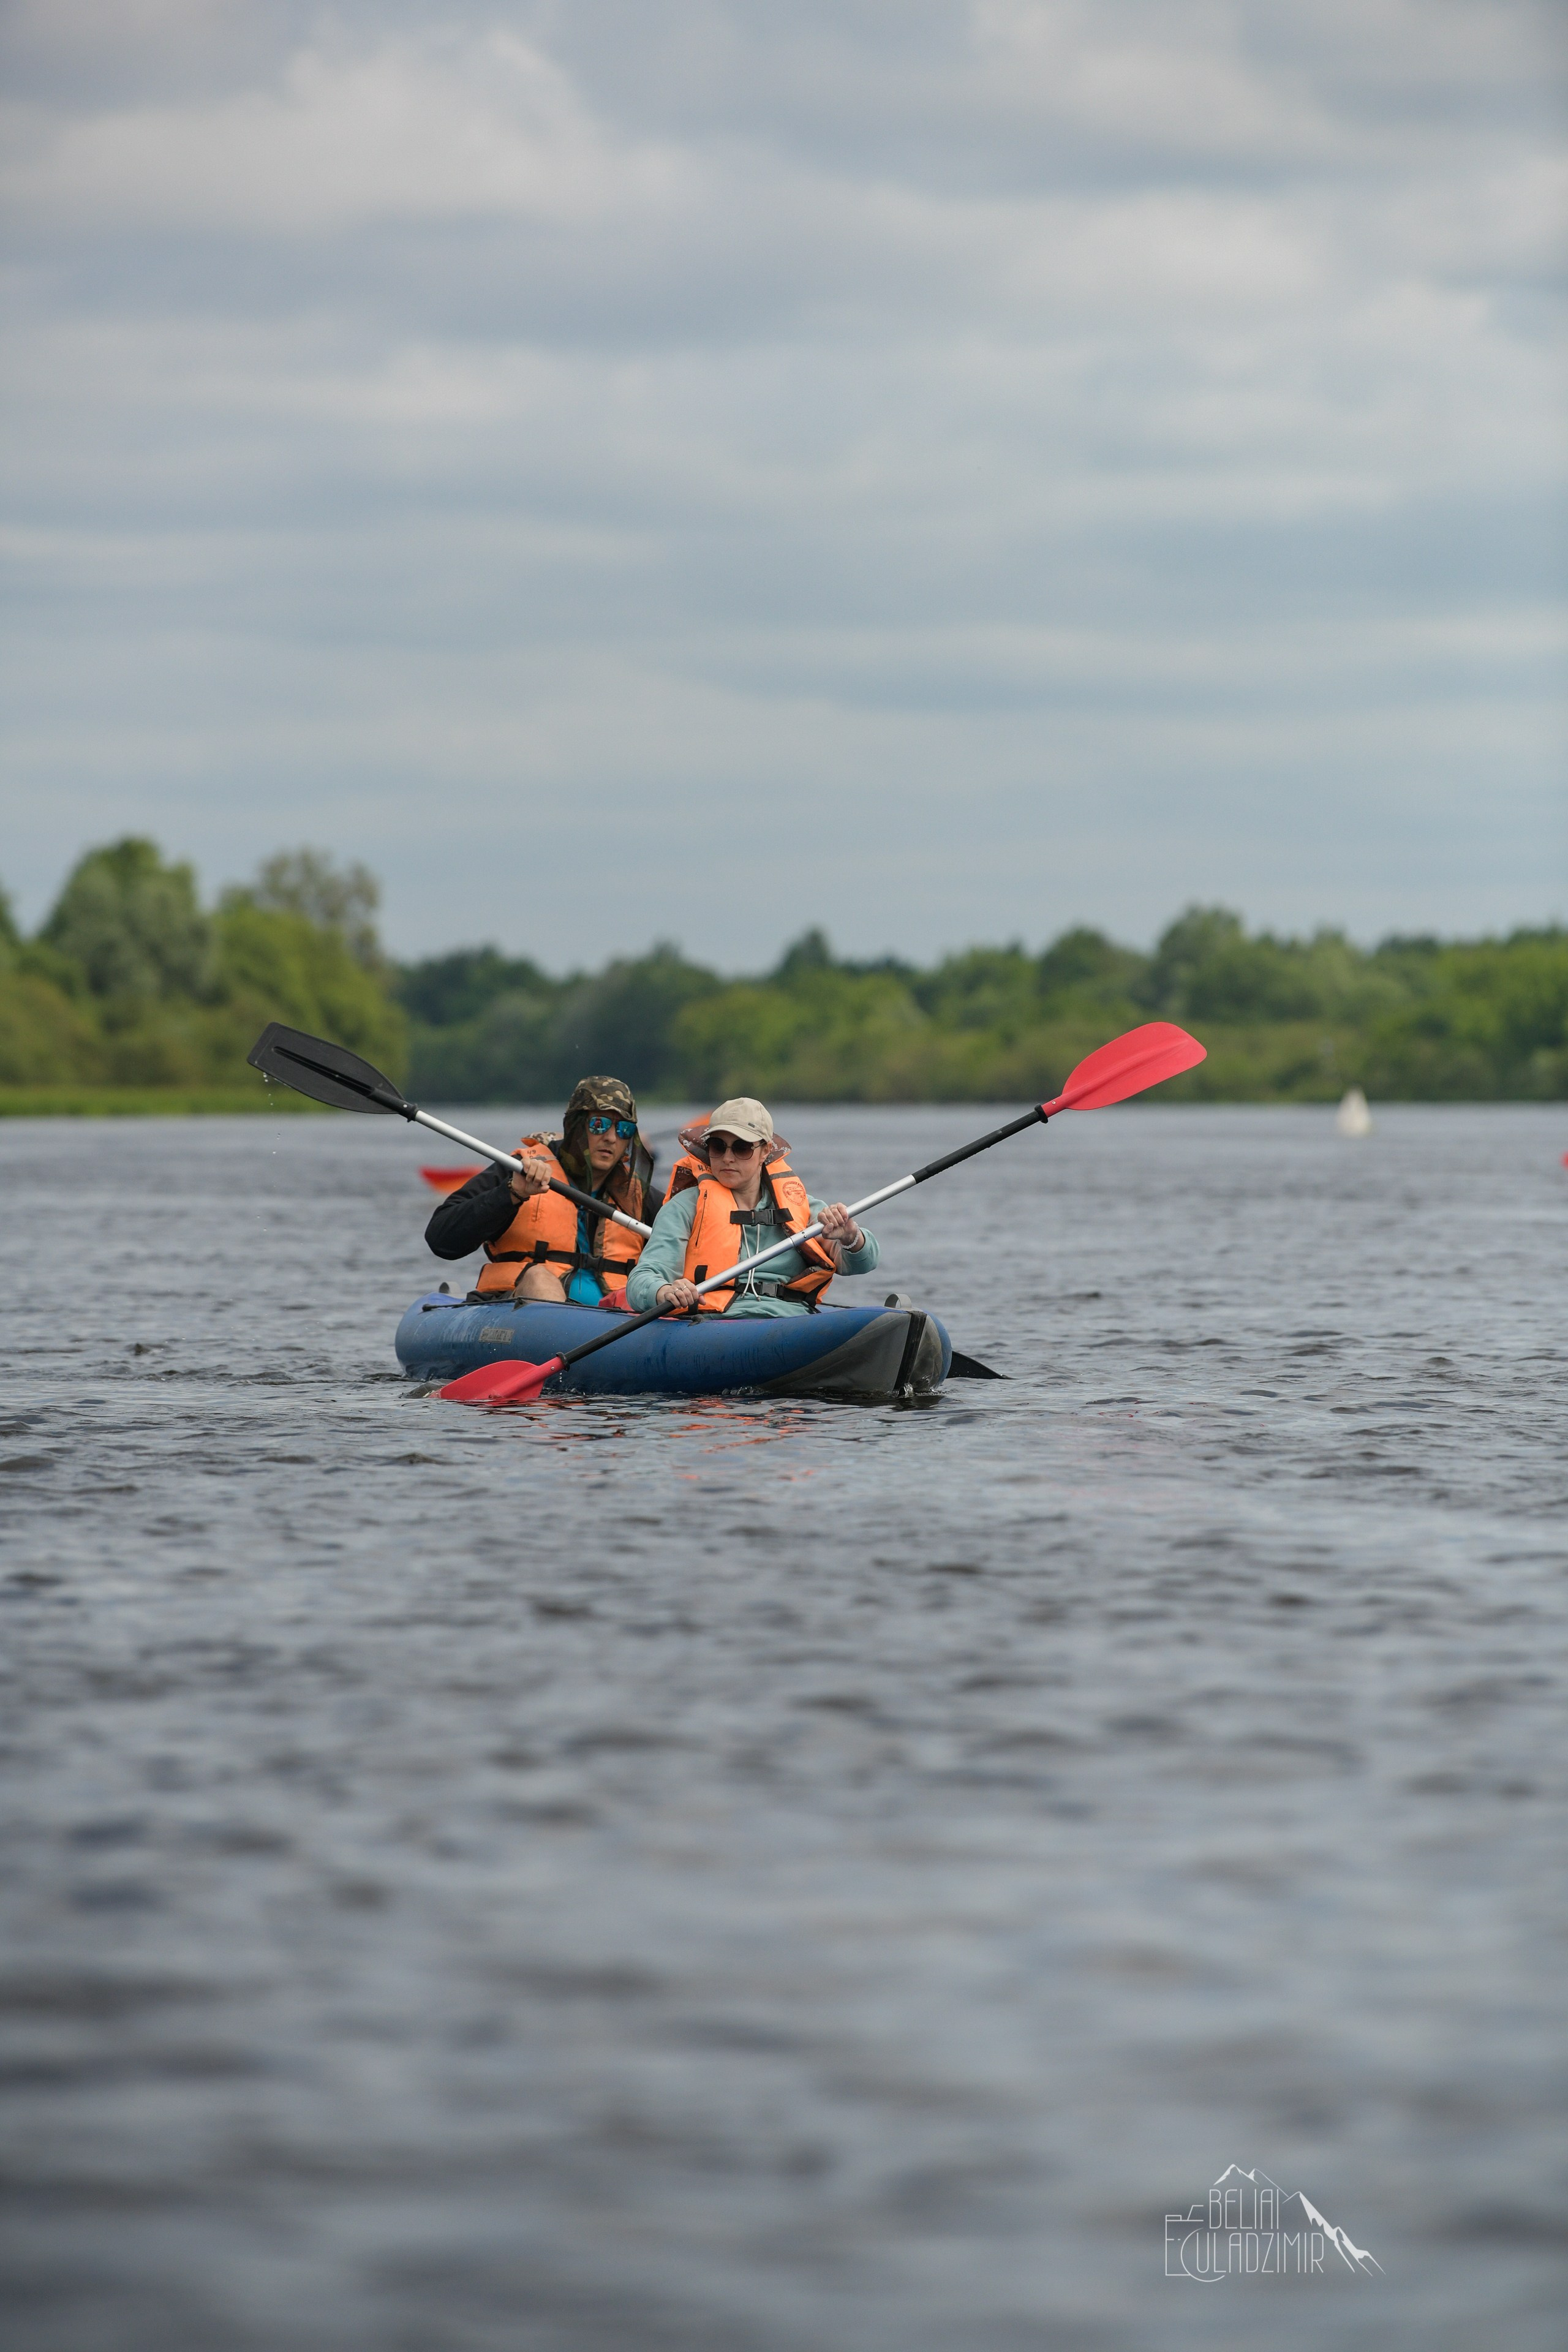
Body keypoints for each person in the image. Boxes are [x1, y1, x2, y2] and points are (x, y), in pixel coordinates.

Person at [625, 1096, 878, 1319]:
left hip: (791, 1318)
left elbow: (863, 1264)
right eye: (718, 1147)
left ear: (765, 1151)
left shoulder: (802, 1207)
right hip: (713, 1321)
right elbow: (642, 1279)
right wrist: (664, 1291)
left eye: (742, 1148)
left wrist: (850, 1237)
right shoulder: (685, 1207)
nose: (727, 1158)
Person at [425, 1076, 662, 1303]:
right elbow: (441, 1240)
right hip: (521, 1310)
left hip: (616, 1317)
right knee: (539, 1277)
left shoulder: (641, 1199)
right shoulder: (519, 1171)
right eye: (599, 1125)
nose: (611, 1138)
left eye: (624, 1130)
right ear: (575, 1126)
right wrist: (512, 1193)